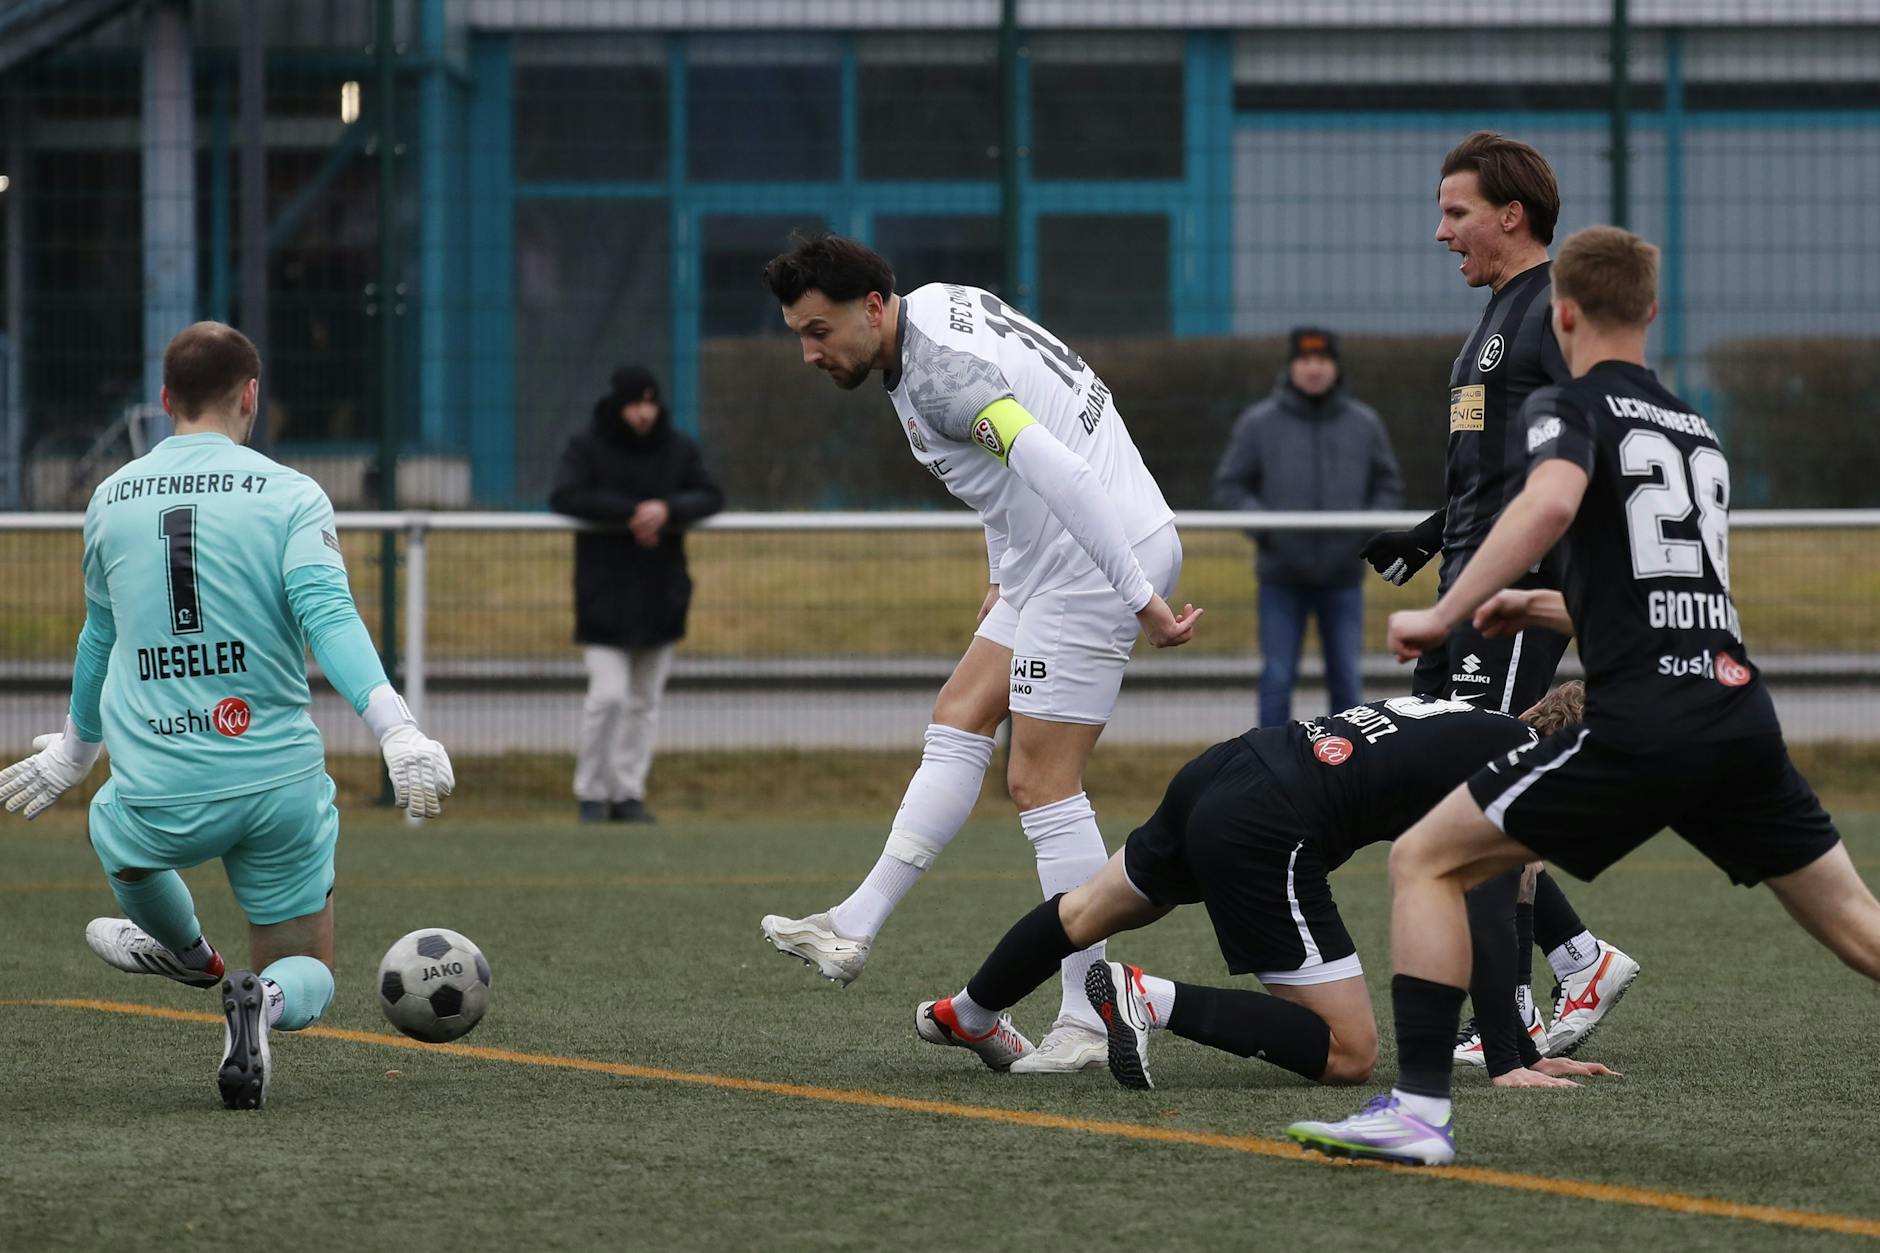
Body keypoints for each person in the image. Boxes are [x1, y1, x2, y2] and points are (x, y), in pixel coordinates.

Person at [1285, 226, 1880, 1167]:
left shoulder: (1567, 403)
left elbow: (1550, 502)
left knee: (1425, 859)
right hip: (1734, 709)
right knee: (1858, 926)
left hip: (1644, 724)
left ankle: (1419, 1114)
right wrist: (1538, 603)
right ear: (1652, 309)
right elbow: (1666, 598)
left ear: (1561, 315)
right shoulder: (1693, 426)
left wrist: (1448, 609)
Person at [756, 233, 1200, 1073]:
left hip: (1098, 556)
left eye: (819, 331)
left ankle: (1088, 1015)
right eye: (799, 334)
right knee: (960, 712)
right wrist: (1004, 571)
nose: (809, 353)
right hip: (1056, 556)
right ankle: (854, 924)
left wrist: (1142, 599)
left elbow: (1061, 473)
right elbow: (1004, 478)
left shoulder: (939, 378)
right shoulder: (927, 311)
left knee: (1042, 781)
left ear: (872, 307)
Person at [0, 321, 454, 1110]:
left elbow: (99, 637)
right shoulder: (290, 492)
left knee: (115, 830)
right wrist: (397, 728)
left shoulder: (109, 498)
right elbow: (329, 616)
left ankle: (188, 953)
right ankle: (263, 1000)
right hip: (276, 785)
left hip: (158, 790)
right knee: (306, 967)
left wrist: (75, 750)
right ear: (251, 394)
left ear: (165, 399)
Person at [917, 686, 1613, 1094]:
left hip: (1227, 767)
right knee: (1350, 1053)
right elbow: (1486, 913)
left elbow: (1514, 893)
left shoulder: (1482, 725)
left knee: (1084, 911)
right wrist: (1505, 1065)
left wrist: (1529, 1052)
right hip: (1270, 823)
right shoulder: (1520, 769)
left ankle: (967, 1014)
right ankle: (1146, 997)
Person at [1356, 133, 1637, 1072]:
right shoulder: (1496, 316)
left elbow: (1586, 453)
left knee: (1484, 793)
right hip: (1467, 583)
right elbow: (1507, 466)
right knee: (1439, 789)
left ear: (1511, 215)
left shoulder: (1553, 313)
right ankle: (1576, 956)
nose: (1441, 233)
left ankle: (1511, 1014)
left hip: (1514, 595)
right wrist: (1433, 534)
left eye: (1457, 213)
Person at [549, 366, 725, 824]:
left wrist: (667, 510)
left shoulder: (678, 447)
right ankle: (591, 793)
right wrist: (630, 514)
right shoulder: (586, 446)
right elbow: (565, 496)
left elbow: (710, 495)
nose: (644, 413)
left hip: (661, 595)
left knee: (644, 702)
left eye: (650, 403)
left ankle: (627, 793)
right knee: (607, 696)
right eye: (634, 404)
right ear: (618, 404)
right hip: (603, 597)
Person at [1214, 326, 1404, 728]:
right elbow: (1231, 486)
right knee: (1277, 679)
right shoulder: (1259, 424)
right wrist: (1268, 530)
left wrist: (1365, 534)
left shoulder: (1364, 424)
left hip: (1343, 578)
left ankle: (1348, 760)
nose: (1313, 368)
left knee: (1347, 681)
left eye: (1322, 359)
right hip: (1281, 577)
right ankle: (1270, 760)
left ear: (1335, 366)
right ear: (1291, 366)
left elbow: (1388, 485)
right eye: (1305, 360)